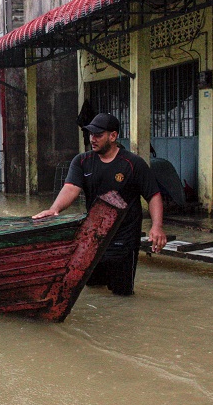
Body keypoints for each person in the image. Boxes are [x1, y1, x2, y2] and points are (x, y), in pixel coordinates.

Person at [32, 113, 167, 296]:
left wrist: (157, 226)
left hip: (125, 239)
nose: (92, 139)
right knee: (93, 288)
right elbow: (71, 188)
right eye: (91, 134)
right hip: (94, 236)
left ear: (113, 136)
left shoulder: (133, 164)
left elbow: (154, 196)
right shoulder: (82, 161)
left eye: (98, 135)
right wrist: (54, 209)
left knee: (122, 295)